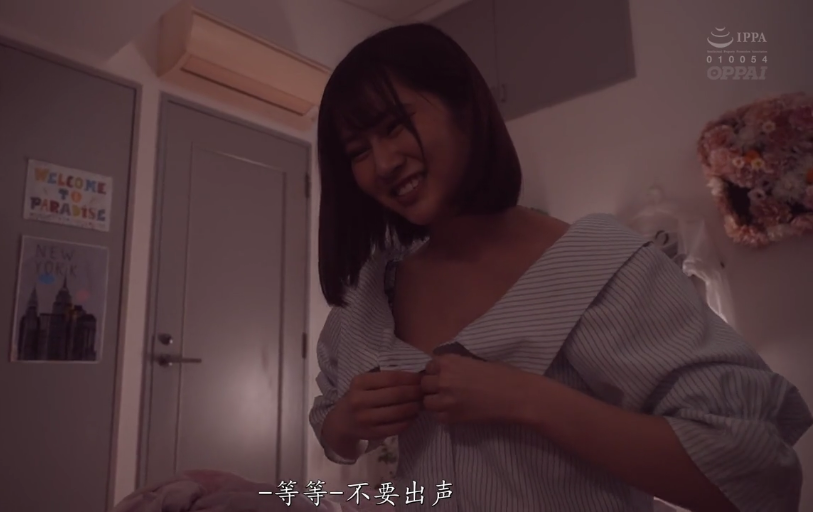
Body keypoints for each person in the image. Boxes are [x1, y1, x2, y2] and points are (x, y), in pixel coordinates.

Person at [308, 23, 812, 512]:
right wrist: (347, 423)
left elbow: (755, 473)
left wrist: (530, 400)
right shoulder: (373, 293)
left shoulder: (602, 267)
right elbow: (332, 422)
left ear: (464, 105)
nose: (383, 163)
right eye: (358, 151)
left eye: (394, 125)